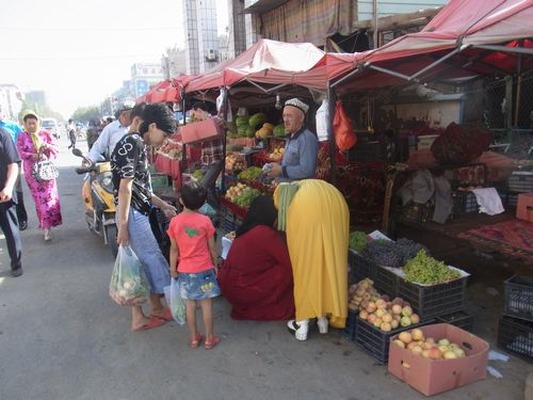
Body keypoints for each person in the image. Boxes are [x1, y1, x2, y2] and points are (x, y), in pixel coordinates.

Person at [111, 102, 178, 332]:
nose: (165, 140)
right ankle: (142, 315)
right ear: (151, 126)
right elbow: (125, 188)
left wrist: (162, 204)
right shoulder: (133, 143)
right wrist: (123, 226)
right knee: (149, 260)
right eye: (165, 134)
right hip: (131, 213)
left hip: (135, 210)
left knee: (142, 262)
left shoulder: (132, 142)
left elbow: (139, 187)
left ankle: (154, 308)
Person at [274, 179, 349, 341]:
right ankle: (323, 319)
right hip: (337, 204)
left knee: (305, 266)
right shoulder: (321, 187)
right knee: (330, 263)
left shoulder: (293, 197)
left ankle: (302, 321)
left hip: (307, 210)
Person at [218, 195, 294, 321]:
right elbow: (289, 262)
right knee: (287, 271)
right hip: (243, 290)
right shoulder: (265, 233)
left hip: (229, 286)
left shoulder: (248, 228)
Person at [167, 181, 221, 349]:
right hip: (204, 269)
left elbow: (174, 249)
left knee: (190, 305)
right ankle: (209, 338)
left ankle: (194, 338)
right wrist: (216, 263)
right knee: (206, 305)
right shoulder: (205, 221)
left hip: (185, 270)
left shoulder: (175, 222)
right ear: (203, 202)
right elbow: (212, 247)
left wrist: (173, 269)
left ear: (181, 200)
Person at [17, 111, 62, 242]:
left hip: (47, 171)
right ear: (24, 124)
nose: (31, 126)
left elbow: (55, 149)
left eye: (33, 123)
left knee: (50, 199)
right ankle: (45, 227)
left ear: (38, 122)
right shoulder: (22, 136)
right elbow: (20, 151)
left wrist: (46, 147)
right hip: (32, 173)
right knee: (39, 200)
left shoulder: (45, 134)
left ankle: (50, 224)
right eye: (29, 123)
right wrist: (32, 155)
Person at [267, 98, 318, 182]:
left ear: (301, 118)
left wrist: (281, 170)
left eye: (290, 116)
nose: (285, 120)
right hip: (287, 188)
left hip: (300, 190)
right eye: (284, 116)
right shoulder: (291, 136)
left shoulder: (307, 138)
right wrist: (279, 164)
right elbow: (292, 160)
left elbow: (307, 170)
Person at [190, 102, 224, 210]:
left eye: (195, 114)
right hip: (206, 160)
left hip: (217, 159)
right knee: (209, 188)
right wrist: (192, 142)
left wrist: (224, 126)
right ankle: (216, 212)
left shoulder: (215, 120)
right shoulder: (198, 126)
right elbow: (200, 146)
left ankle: (210, 211)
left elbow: (225, 131)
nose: (195, 117)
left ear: (200, 110)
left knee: (203, 186)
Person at [0, 106, 28, 230]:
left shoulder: (11, 126)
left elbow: (23, 140)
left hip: (12, 162)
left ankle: (21, 219)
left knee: (15, 190)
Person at [0, 127, 23, 277]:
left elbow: (13, 164)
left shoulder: (3, 135)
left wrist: (8, 187)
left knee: (10, 231)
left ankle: (16, 263)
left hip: (3, 194)